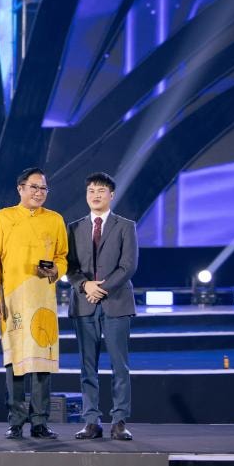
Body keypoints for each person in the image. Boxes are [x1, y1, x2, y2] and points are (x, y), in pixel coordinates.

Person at [0, 167, 68, 439]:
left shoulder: (55, 220)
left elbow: (62, 256)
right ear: (20, 188)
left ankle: (40, 421)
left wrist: (56, 269)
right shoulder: (2, 217)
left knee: (42, 363)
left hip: (43, 299)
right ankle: (16, 420)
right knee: (15, 361)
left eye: (43, 188)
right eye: (34, 187)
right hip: (12, 299)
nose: (39, 192)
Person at [66, 172, 138, 441]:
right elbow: (69, 266)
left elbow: (128, 266)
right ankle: (91, 421)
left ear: (111, 195)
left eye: (101, 191)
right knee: (88, 367)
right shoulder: (74, 227)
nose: (95, 195)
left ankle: (119, 420)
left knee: (120, 366)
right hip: (84, 304)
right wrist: (85, 285)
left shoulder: (125, 226)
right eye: (91, 191)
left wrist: (102, 288)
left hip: (116, 303)